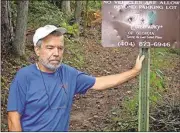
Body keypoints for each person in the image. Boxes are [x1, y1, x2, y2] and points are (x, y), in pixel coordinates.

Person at [7, 25, 145, 131]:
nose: (56, 53)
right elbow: (13, 119)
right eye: (50, 48)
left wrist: (134, 71)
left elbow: (99, 83)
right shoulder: (24, 77)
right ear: (37, 50)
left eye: (60, 48)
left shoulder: (68, 74)